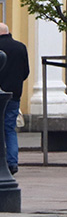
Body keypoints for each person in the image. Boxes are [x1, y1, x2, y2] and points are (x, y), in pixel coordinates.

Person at [0, 22, 30, 176]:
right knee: (10, 129)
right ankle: (12, 162)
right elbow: (26, 72)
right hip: (14, 94)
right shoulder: (20, 47)